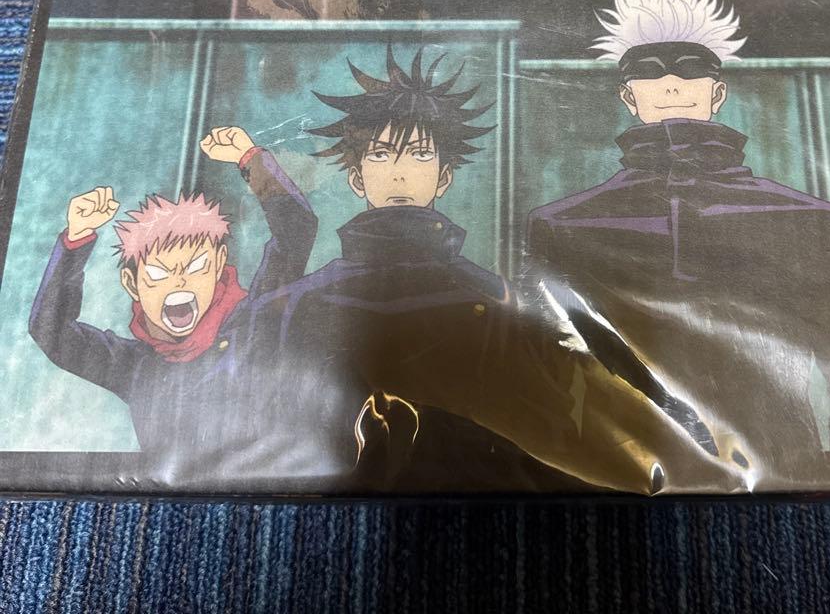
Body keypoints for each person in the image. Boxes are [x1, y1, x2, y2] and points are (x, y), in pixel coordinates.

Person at [274, 47, 733, 494]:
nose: (399, 173)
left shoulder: (496, 298)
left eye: (419, 153)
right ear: (356, 178)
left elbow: (544, 425)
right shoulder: (303, 301)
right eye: (380, 155)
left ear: (444, 176)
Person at [525, 0, 830, 489]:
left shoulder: (810, 219)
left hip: (785, 470)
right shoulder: (561, 225)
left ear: (717, 92)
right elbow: (549, 369)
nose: (671, 84)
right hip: (621, 474)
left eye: (690, 67)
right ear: (628, 96)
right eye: (649, 71)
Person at [28, 127, 318, 486]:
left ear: (218, 265)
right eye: (159, 274)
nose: (179, 282)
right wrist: (75, 239)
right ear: (132, 283)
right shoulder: (134, 366)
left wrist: (251, 160)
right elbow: (52, 332)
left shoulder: (255, 321)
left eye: (196, 268)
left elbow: (296, 233)